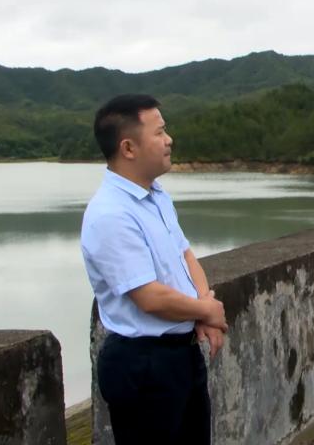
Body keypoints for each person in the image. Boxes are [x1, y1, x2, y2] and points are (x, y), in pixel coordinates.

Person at [81, 94, 228, 444]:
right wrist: (207, 308)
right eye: (160, 132)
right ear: (128, 148)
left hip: (181, 355)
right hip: (142, 366)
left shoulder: (155, 196)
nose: (169, 140)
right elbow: (148, 296)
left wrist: (204, 306)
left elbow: (186, 256)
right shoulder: (111, 214)